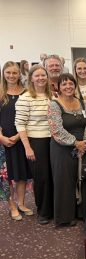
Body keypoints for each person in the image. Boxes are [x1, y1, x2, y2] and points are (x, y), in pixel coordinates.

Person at [48, 73, 86, 226]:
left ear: (75, 85)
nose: (68, 87)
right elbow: (56, 130)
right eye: (64, 84)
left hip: (83, 147)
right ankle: (65, 217)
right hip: (62, 148)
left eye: (71, 84)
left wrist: (85, 142)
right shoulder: (54, 104)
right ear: (58, 87)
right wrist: (75, 143)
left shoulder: (83, 103)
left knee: (83, 179)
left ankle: (82, 213)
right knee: (64, 181)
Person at [15, 65, 53, 225]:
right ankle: (43, 212)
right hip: (36, 142)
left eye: (43, 75)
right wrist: (27, 147)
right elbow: (20, 124)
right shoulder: (25, 97)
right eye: (37, 76)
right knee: (42, 177)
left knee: (52, 176)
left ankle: (53, 208)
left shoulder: (51, 95)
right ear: (31, 78)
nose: (40, 78)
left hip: (53, 141)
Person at [0, 61, 32, 220]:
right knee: (6, 176)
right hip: (2, 142)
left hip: (21, 139)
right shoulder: (0, 93)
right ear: (3, 74)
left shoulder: (26, 93)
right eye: (8, 73)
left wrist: (19, 136)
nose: (11, 76)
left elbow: (30, 118)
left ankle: (21, 203)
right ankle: (11, 205)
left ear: (19, 74)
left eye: (14, 72)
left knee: (21, 173)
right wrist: (2, 138)